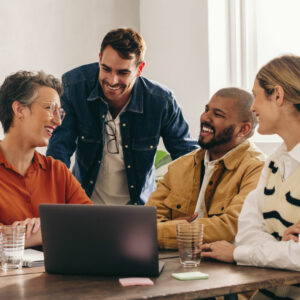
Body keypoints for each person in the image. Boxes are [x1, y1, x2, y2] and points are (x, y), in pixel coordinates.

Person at [46, 28, 198, 206]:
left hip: (138, 210)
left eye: (123, 73)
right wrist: (56, 206)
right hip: (85, 205)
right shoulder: (74, 86)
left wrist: (181, 206)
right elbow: (59, 151)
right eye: (106, 69)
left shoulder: (161, 101)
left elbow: (187, 158)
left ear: (139, 69)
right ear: (99, 58)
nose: (112, 80)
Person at [201, 55, 300, 299]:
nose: (253, 108)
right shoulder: (275, 162)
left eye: (256, 96)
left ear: (277, 95)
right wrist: (281, 247)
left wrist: (237, 253)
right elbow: (246, 232)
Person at [146, 87, 265, 249]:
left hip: (231, 269)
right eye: (206, 110)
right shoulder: (180, 166)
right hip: (176, 261)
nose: (205, 118)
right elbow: (147, 221)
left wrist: (173, 230)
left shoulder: (257, 168)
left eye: (218, 114)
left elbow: (230, 227)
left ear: (243, 129)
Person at [0, 70, 92, 248]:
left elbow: (92, 223)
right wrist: (52, 231)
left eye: (60, 112)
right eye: (50, 108)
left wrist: (43, 229)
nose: (58, 121)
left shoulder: (57, 172)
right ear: (19, 110)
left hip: (57, 276)